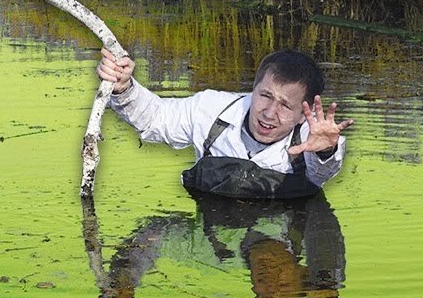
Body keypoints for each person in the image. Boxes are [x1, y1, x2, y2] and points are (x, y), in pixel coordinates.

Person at [97, 48, 354, 198]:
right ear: (252, 89)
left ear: (302, 113)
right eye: (264, 96)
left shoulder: (313, 135)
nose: (269, 113)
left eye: (285, 105)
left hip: (282, 240)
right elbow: (155, 118)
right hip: (216, 246)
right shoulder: (210, 109)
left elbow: (324, 171)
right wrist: (124, 88)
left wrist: (326, 151)